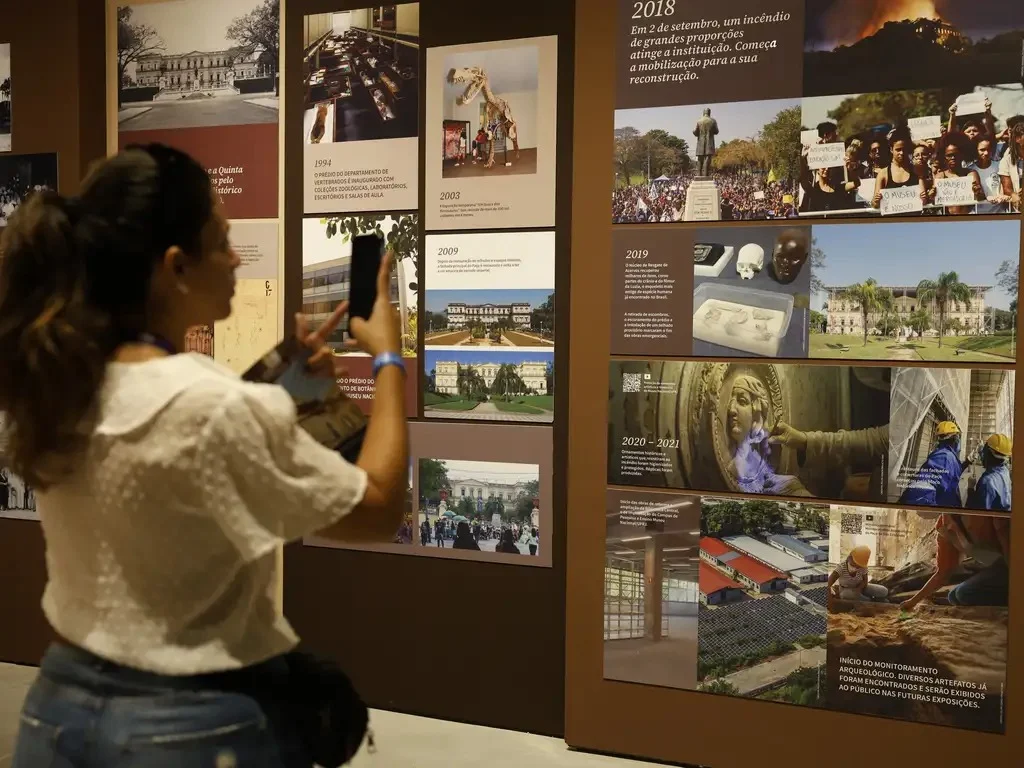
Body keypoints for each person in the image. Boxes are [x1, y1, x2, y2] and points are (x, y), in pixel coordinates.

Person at [1, 144, 408, 767]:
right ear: (176, 267)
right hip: (190, 729)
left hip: (56, 712)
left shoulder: (60, 385)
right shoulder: (210, 406)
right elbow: (377, 508)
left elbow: (178, 435)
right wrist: (387, 360)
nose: (237, 255)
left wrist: (280, 375)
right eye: (221, 239)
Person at [901, 514, 1010, 610]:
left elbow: (1008, 543)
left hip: (1011, 564)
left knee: (964, 593)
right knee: (953, 596)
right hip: (995, 567)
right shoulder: (943, 527)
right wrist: (912, 602)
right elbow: (942, 574)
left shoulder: (982, 507)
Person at [898, 421, 970, 508]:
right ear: (955, 438)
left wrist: (967, 462)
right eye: (958, 436)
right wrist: (934, 513)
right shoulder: (944, 457)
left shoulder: (948, 456)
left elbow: (951, 475)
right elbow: (919, 491)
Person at [932, 132, 986, 215]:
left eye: (956, 155)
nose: (953, 158)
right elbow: (935, 202)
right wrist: (931, 195)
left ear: (962, 155)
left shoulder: (971, 174)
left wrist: (978, 192)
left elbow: (981, 198)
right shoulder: (940, 176)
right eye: (949, 155)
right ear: (944, 157)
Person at [966, 434, 1012, 512]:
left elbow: (977, 514)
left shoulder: (987, 482)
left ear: (989, 453)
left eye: (985, 449)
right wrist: (981, 448)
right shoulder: (1005, 470)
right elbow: (988, 456)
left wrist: (970, 488)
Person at [969, 138, 1008, 213]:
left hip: (999, 212)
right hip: (978, 213)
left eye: (989, 149)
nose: (986, 153)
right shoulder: (970, 170)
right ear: (976, 151)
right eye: (982, 150)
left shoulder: (999, 165)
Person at [998, 121, 1024, 212]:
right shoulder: (1006, 161)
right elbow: (1007, 188)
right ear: (1017, 139)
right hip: (1017, 210)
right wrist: (1014, 194)